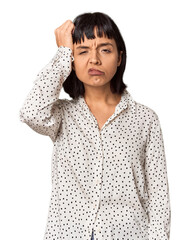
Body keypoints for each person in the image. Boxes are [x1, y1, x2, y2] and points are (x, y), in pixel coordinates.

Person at [19, 12, 171, 240]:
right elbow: (31, 112)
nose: (94, 59)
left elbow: (159, 197)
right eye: (82, 51)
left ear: (119, 57)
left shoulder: (145, 119)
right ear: (72, 60)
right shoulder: (62, 115)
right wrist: (62, 54)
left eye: (105, 49)